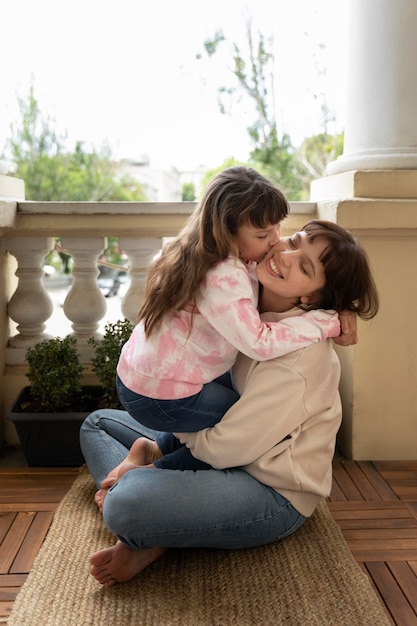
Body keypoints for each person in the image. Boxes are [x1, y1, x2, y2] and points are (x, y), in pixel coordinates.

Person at [80, 219, 379, 586]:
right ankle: (167, 512)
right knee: (96, 424)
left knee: (125, 505)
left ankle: (152, 524)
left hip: (269, 490)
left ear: (312, 298)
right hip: (224, 445)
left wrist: (161, 462)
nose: (285, 255)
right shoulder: (246, 293)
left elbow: (225, 450)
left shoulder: (298, 360)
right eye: (294, 241)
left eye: (304, 266)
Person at [116, 166, 341, 439]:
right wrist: (325, 323)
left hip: (139, 375)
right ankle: (159, 459)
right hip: (159, 396)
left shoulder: (201, 250)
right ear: (227, 232)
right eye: (262, 235)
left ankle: (151, 448)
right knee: (246, 423)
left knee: (237, 398)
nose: (275, 240)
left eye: (277, 228)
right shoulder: (224, 275)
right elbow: (260, 343)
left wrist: (343, 307)